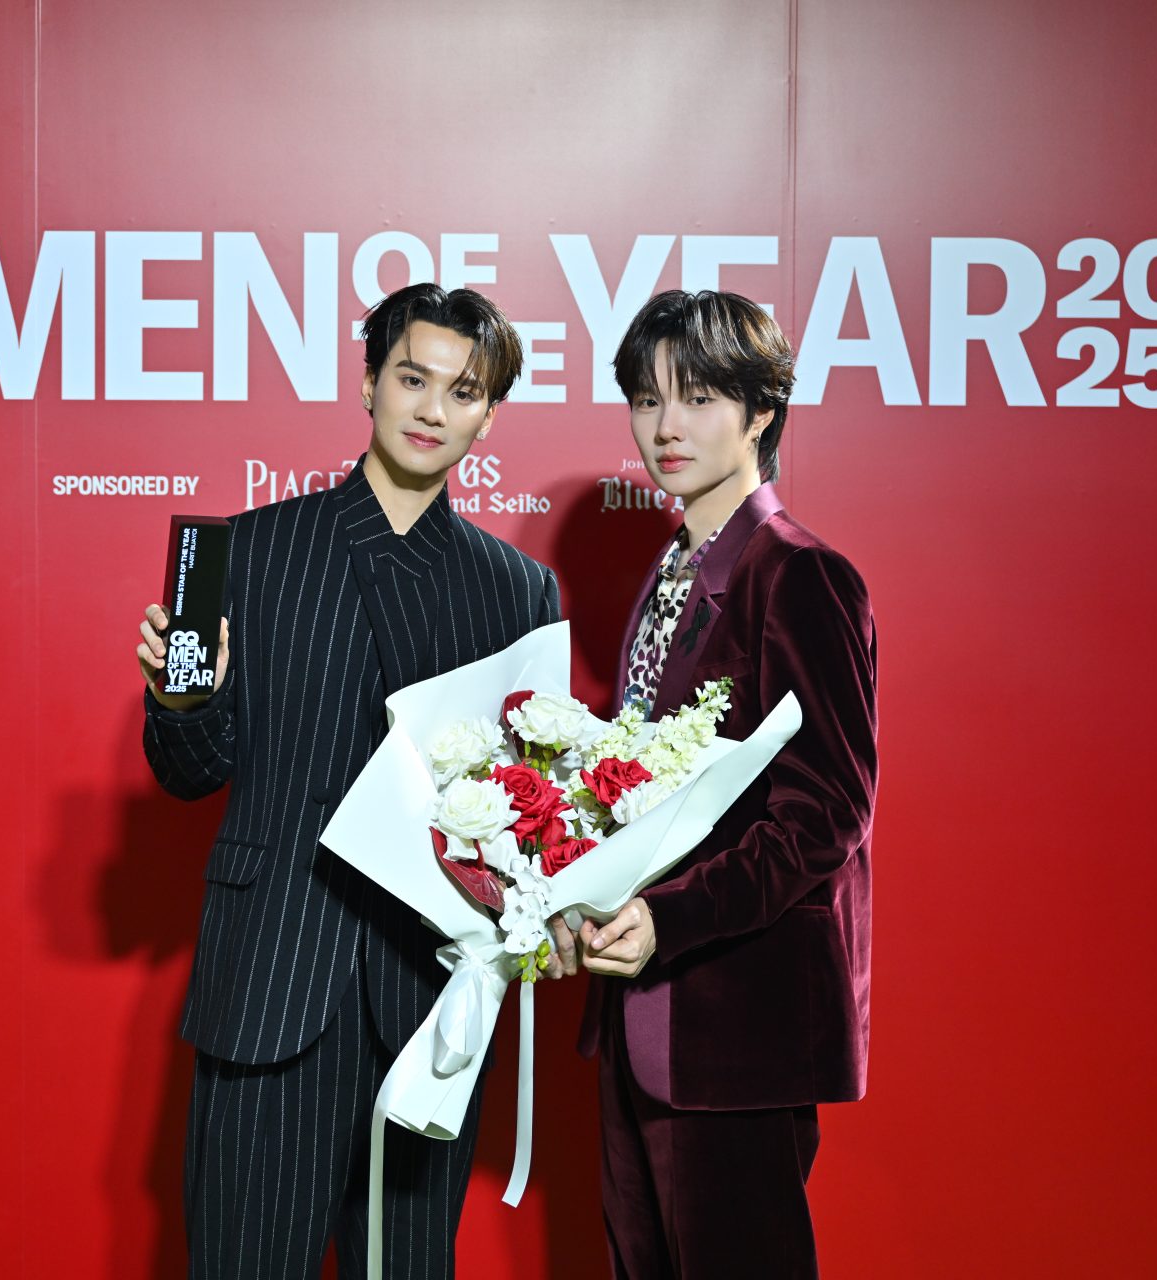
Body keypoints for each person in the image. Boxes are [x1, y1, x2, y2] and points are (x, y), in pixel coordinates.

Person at [134, 283, 561, 1280]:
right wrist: (181, 701)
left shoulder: (517, 590)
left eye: (463, 392)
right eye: (412, 378)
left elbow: (526, 811)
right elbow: (187, 776)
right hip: (272, 979)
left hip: (430, 1000)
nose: (431, 408)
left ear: (490, 416)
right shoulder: (250, 550)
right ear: (369, 383)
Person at [544, 289, 877, 1277]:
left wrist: (667, 919)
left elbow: (826, 812)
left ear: (761, 410)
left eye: (697, 398)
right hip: (635, 1011)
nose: (666, 427)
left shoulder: (799, 573)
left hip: (737, 1025)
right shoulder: (670, 575)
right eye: (647, 400)